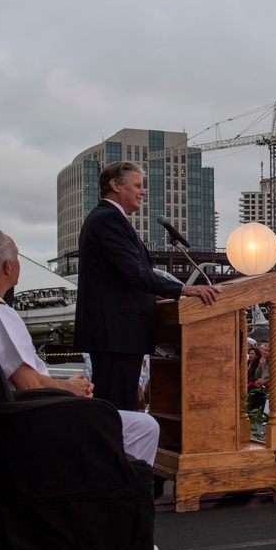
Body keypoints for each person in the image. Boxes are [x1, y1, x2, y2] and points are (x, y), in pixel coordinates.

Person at [0, 229, 159, 464]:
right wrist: (68, 387)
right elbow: (29, 385)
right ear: (7, 267)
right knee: (144, 426)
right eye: (18, 257)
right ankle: (112, 496)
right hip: (26, 419)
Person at [74, 161, 219, 411]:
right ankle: (110, 451)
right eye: (137, 185)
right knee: (113, 409)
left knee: (116, 407)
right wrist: (183, 290)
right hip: (116, 335)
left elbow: (122, 275)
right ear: (115, 185)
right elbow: (132, 272)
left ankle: (114, 449)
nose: (143, 191)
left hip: (116, 335)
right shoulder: (109, 218)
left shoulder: (105, 218)